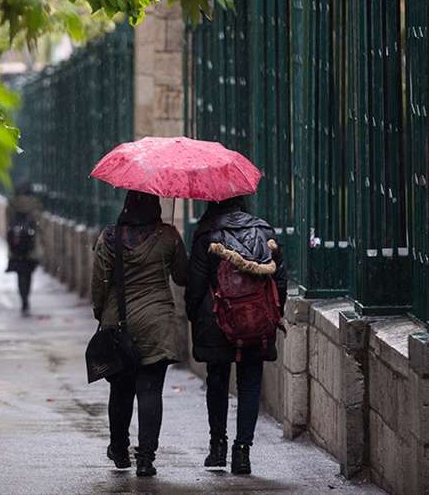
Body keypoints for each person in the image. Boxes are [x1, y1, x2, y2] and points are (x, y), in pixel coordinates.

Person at [185, 195, 287, 475]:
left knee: (217, 381)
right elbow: (279, 278)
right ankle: (242, 452)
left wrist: (195, 315)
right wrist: (271, 314)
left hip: (216, 319)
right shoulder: (264, 231)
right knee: (250, 383)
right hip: (255, 320)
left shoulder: (206, 234)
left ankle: (217, 447)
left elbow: (195, 284)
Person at [91, 190, 188, 477]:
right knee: (150, 391)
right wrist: (171, 248)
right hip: (157, 324)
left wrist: (100, 313)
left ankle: (119, 450)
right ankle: (146, 458)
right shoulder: (168, 235)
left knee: (120, 390)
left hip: (119, 322)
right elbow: (182, 276)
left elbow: (99, 283)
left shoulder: (109, 237)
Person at [6, 183, 43, 315]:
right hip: (31, 246)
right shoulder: (35, 204)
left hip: (16, 245)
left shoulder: (12, 203)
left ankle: (23, 299)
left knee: (20, 274)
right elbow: (40, 222)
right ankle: (27, 297)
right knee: (28, 273)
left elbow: (8, 222)